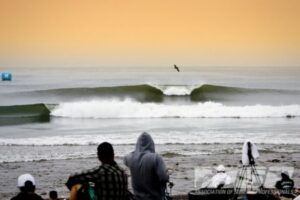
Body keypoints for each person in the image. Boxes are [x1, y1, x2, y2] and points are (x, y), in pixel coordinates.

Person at [124, 132, 169, 200]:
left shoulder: (130, 157)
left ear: (137, 144)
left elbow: (125, 160)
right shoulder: (156, 158)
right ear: (151, 144)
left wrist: (136, 152)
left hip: (137, 198)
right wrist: (167, 173)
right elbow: (164, 178)